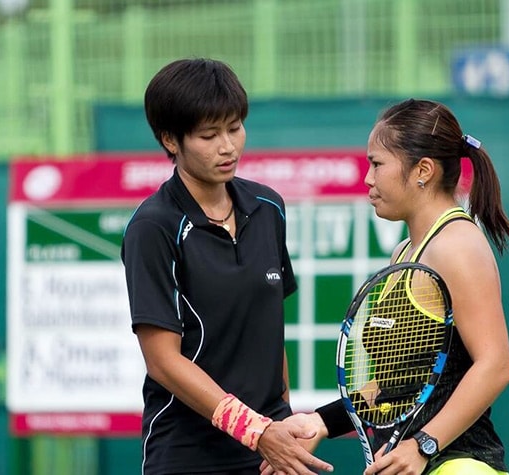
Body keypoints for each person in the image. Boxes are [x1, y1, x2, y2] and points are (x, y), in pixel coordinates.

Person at [262, 98, 509, 475]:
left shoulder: (457, 246)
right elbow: (397, 385)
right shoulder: (404, 252)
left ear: (423, 171)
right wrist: (320, 421)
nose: (368, 178)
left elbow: (495, 366)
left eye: (377, 164)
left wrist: (423, 445)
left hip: (462, 466)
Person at [121, 58, 333, 475]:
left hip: (271, 448)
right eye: (208, 134)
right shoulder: (153, 227)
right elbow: (163, 360)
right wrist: (254, 430)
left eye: (234, 128)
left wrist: (281, 421)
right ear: (170, 140)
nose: (228, 146)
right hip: (188, 453)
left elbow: (270, 326)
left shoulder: (269, 207)